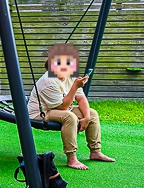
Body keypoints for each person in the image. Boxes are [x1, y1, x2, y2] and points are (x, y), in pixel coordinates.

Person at [26, 43, 114, 171]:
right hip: (41, 113)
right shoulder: (48, 82)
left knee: (92, 113)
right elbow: (62, 107)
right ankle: (71, 157)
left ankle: (95, 151)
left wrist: (87, 117)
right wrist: (75, 86)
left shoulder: (69, 75)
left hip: (60, 108)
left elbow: (81, 98)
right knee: (70, 117)